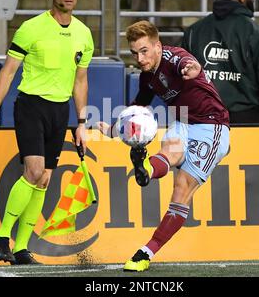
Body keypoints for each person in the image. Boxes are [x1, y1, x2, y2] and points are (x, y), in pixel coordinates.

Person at [97, 21, 230, 272]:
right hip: (183, 121)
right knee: (169, 151)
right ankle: (145, 168)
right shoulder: (147, 77)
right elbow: (137, 110)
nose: (140, 58)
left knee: (181, 192)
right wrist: (114, 130)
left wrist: (194, 68)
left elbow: (187, 63)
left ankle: (145, 252)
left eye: (145, 51)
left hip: (212, 126)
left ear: (158, 46)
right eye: (135, 53)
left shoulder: (174, 57)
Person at [0, 0, 93, 265]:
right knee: (33, 171)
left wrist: (81, 122)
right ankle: (2, 235)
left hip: (60, 112)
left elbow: (80, 81)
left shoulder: (84, 34)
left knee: (44, 180)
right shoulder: (31, 28)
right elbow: (7, 72)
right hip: (31, 106)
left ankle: (21, 248)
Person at [182, 0, 259, 123]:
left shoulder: (193, 31)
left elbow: (179, 76)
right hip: (245, 118)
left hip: (202, 118)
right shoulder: (258, 35)